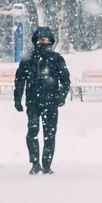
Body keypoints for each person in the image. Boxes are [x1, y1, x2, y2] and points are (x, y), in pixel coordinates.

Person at [14, 26, 71, 174]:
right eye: (40, 40)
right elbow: (20, 79)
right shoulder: (29, 59)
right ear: (35, 41)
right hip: (33, 101)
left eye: (46, 40)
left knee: (49, 133)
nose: (43, 43)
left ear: (51, 41)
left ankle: (46, 164)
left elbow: (65, 80)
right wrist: (17, 98)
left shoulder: (57, 59)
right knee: (32, 131)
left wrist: (61, 96)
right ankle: (34, 163)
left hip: (51, 102)